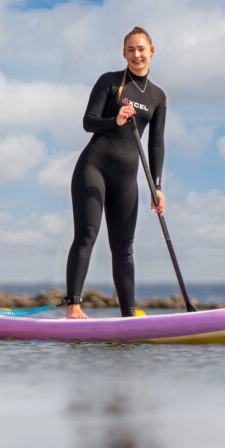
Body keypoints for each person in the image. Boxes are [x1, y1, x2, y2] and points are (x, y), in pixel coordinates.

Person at [63, 26, 167, 319]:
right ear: (124, 53)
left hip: (126, 177)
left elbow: (157, 142)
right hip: (93, 168)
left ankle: (128, 316)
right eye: (131, 50)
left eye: (141, 49)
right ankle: (73, 306)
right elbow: (88, 122)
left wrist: (155, 185)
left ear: (151, 52)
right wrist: (115, 119)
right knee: (87, 234)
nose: (136, 54)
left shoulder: (158, 96)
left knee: (124, 248)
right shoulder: (110, 82)